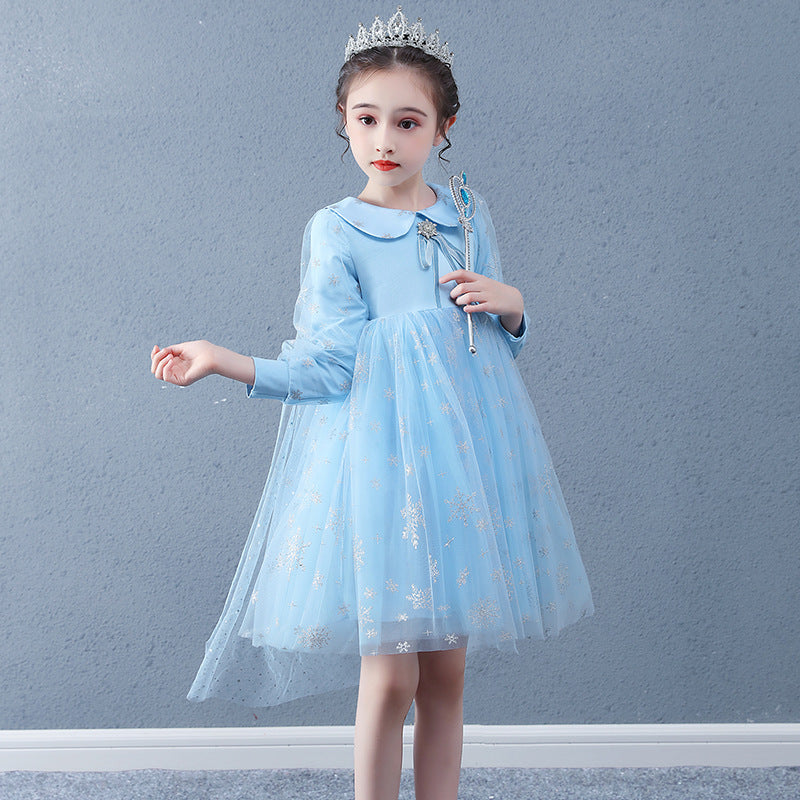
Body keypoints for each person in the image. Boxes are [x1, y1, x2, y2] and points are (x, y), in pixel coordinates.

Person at [151, 7, 594, 800]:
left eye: (407, 121)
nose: (384, 138)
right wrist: (223, 361)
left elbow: (489, 350)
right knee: (391, 679)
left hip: (462, 469)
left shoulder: (466, 214)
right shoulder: (336, 230)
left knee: (448, 676)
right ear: (343, 120)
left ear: (444, 127)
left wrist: (515, 306)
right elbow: (327, 365)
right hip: (382, 473)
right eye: (366, 118)